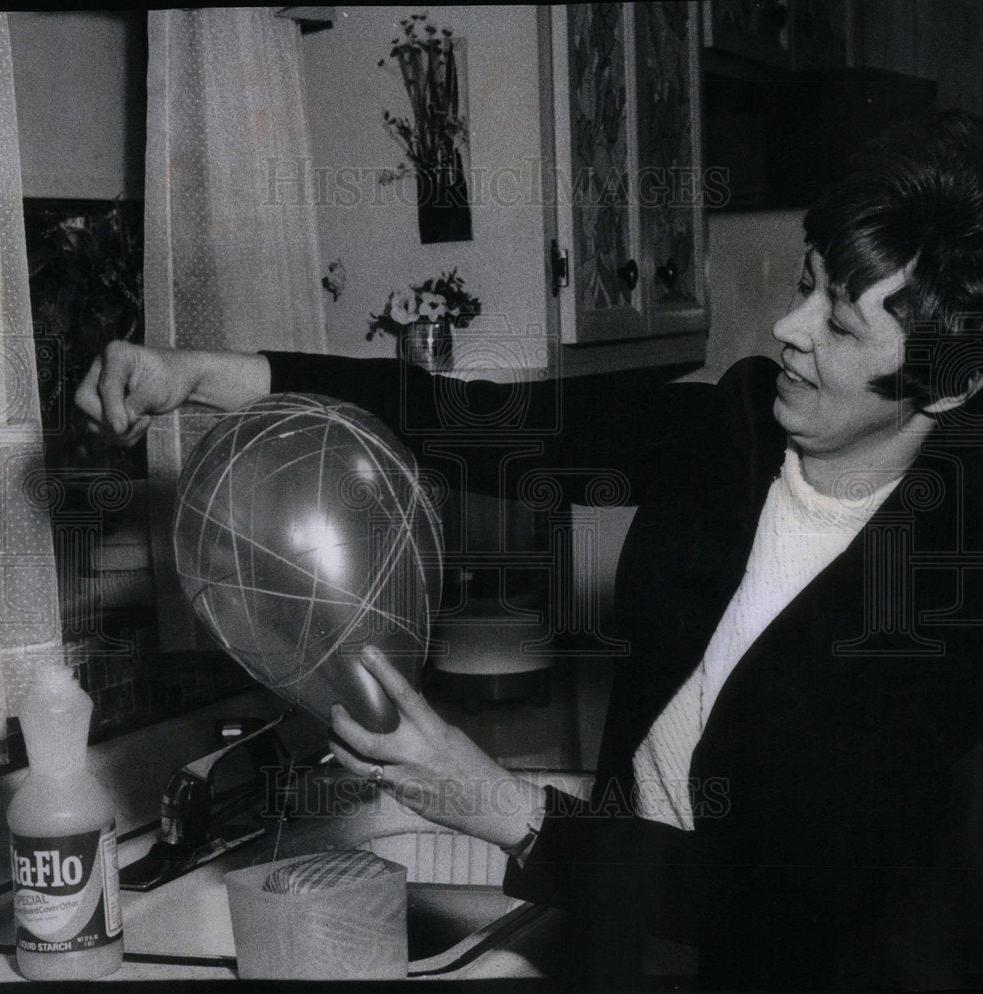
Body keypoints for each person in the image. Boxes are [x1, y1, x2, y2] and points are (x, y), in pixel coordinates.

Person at [77, 109, 983, 989]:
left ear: (947, 385)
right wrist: (207, 375)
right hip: (627, 944)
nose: (791, 328)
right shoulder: (741, 425)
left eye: (844, 324)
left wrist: (504, 810)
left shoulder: (939, 599)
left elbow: (792, 906)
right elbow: (478, 422)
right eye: (808, 283)